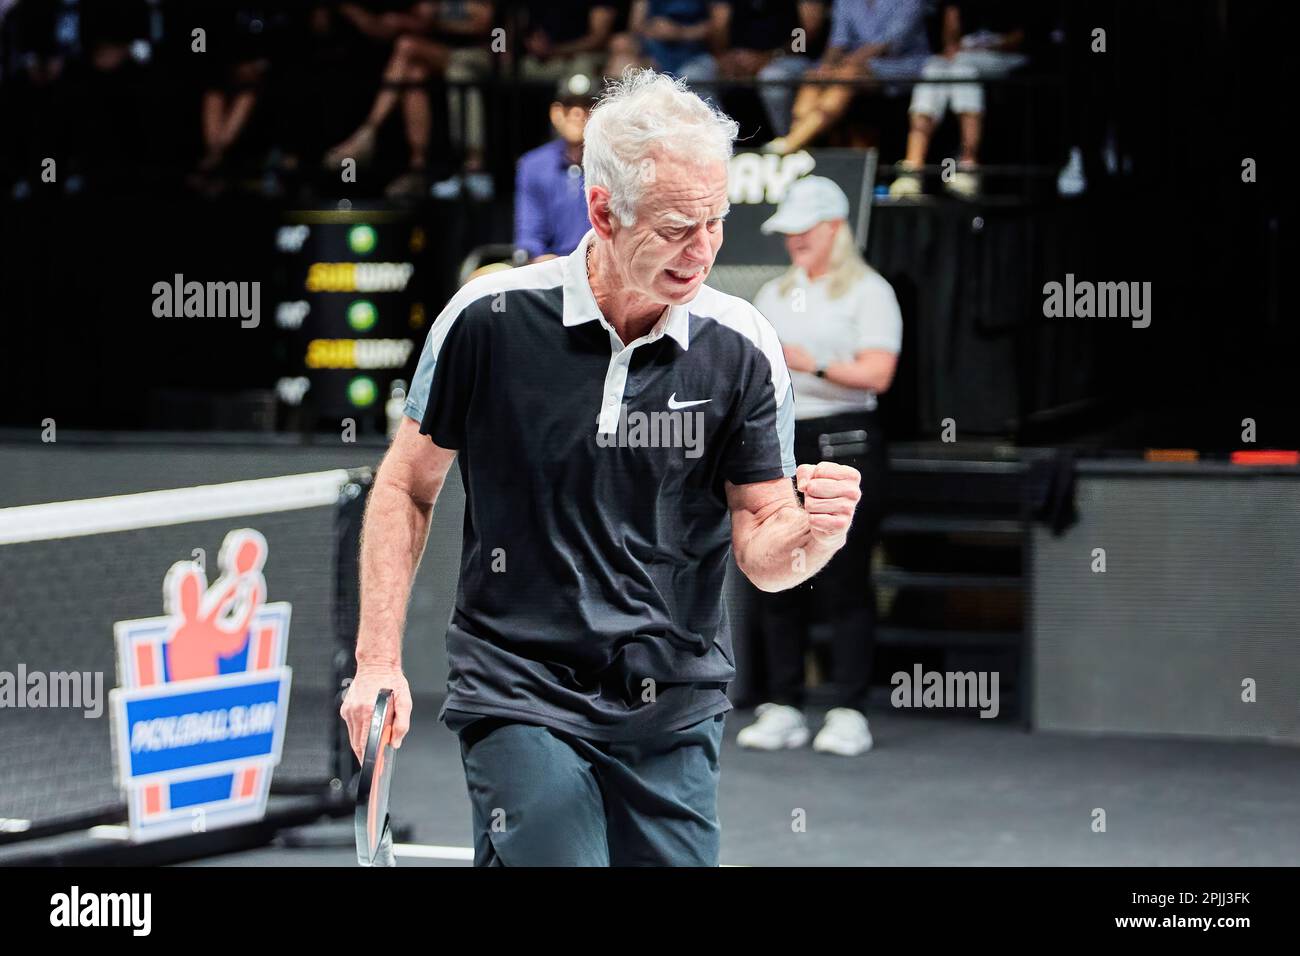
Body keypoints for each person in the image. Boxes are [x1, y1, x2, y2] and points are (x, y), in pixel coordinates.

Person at [339, 68, 864, 867]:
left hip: (674, 702)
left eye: (716, 221)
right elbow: (406, 484)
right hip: (519, 686)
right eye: (676, 227)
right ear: (602, 212)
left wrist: (812, 537)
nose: (704, 250)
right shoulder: (489, 320)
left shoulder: (742, 346)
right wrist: (378, 661)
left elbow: (763, 543)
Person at [743, 175, 900, 756]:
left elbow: (878, 373)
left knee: (845, 577)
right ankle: (783, 702)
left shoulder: (870, 292)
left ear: (835, 228)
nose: (795, 241)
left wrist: (813, 365)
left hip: (846, 438)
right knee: (777, 571)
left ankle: (848, 708)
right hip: (782, 438)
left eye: (805, 230)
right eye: (789, 232)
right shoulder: (772, 294)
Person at [323, 1, 495, 199]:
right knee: (414, 73)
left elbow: (484, 22)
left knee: (408, 46)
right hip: (446, 53)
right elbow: (386, 28)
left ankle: (367, 133)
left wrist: (433, 18)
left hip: (485, 52)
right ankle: (417, 169)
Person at [890, 1, 1028, 198]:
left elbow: (1021, 37)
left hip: (1005, 57)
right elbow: (950, 40)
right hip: (962, 58)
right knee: (933, 67)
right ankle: (913, 167)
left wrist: (986, 46)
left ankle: (967, 163)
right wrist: (957, 46)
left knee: (963, 68)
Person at [766, 0, 929, 155]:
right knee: (814, 77)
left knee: (847, 76)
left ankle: (792, 143)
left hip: (902, 66)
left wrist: (842, 66)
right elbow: (838, 42)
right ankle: (796, 137)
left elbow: (887, 44)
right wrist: (826, 66)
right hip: (850, 65)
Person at [513, 73, 601, 262]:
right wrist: (539, 259)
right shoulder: (533, 165)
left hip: (600, 264)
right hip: (552, 267)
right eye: (569, 105)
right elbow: (529, 235)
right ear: (556, 113)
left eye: (586, 105)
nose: (577, 112)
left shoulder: (613, 163)